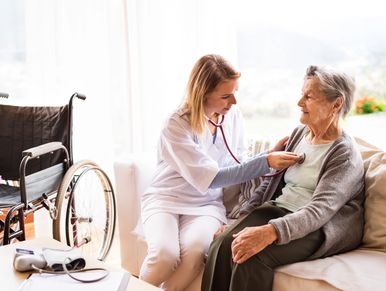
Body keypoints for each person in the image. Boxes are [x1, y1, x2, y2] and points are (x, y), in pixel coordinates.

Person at [139, 54, 301, 291]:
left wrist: (267, 155)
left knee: (195, 253)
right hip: (166, 199)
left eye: (235, 93)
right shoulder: (176, 124)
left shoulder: (231, 116)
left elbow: (237, 160)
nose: (233, 102)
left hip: (205, 205)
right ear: (202, 95)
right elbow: (214, 177)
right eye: (225, 96)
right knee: (165, 255)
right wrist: (266, 161)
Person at [201, 65, 365, 291]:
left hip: (320, 227)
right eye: (302, 94)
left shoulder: (344, 154)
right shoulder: (300, 133)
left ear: (336, 104)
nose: (299, 103)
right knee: (221, 244)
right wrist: (240, 219)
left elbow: (320, 210)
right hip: (280, 209)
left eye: (308, 97)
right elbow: (271, 182)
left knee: (249, 255)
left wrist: (270, 232)